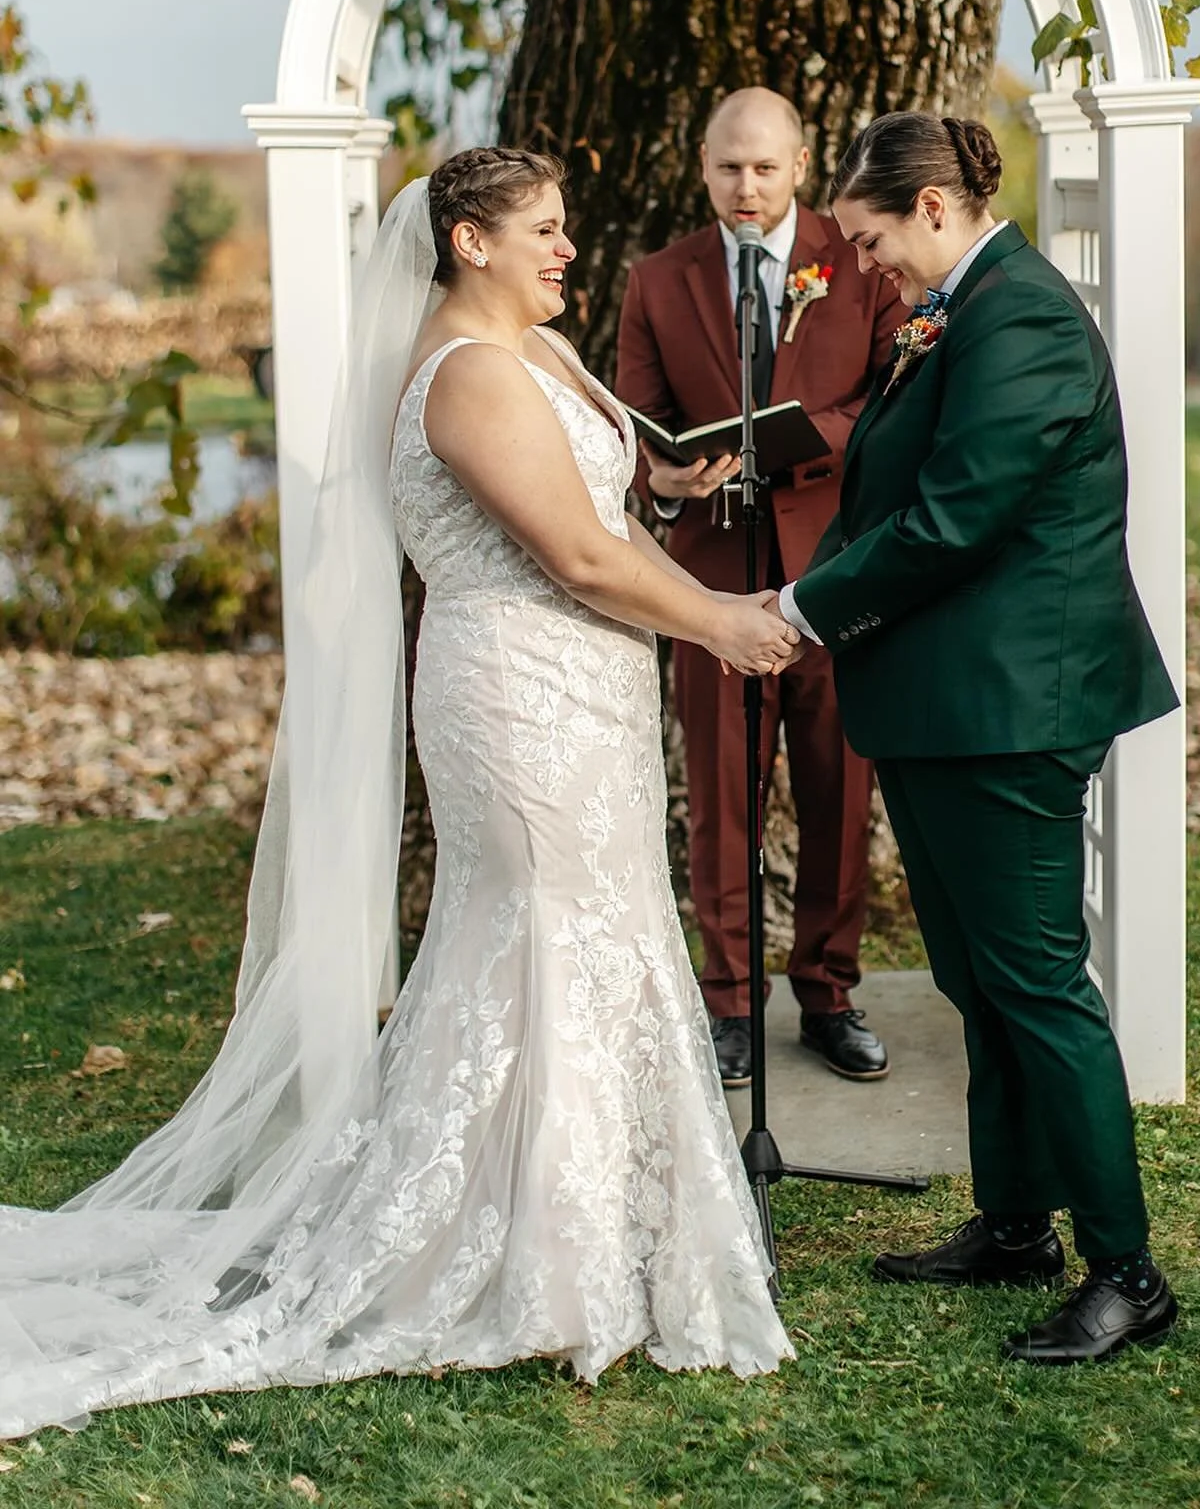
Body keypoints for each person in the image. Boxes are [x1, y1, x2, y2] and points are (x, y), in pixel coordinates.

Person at [0, 148, 795, 1441]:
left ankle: (584, 1235)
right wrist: (721, 623)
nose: (566, 250)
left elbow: (613, 501)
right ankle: (535, 1265)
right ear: (468, 242)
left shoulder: (540, 350)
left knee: (592, 936)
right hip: (517, 695)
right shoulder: (470, 375)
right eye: (540, 231)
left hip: (590, 695)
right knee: (537, 937)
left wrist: (669, 489)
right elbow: (581, 557)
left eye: (564, 228)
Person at [775, 113, 1181, 1366]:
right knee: (980, 985)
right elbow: (885, 496)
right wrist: (798, 601)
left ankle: (1130, 1272)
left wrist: (800, 610)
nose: (868, 268)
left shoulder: (1028, 321)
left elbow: (955, 521)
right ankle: (1016, 1226)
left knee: (1043, 989)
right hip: (945, 707)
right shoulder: (960, 308)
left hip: (1012, 712)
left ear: (937, 205)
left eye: (875, 238)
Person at [617, 89, 905, 1088]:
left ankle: (828, 993)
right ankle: (730, 1001)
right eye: (729, 167)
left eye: (766, 168)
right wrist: (659, 478)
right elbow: (636, 430)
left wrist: (791, 441)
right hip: (708, 580)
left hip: (837, 571)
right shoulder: (658, 280)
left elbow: (892, 398)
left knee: (838, 790)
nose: (747, 186)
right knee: (724, 799)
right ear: (704, 165)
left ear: (800, 164)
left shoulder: (860, 259)